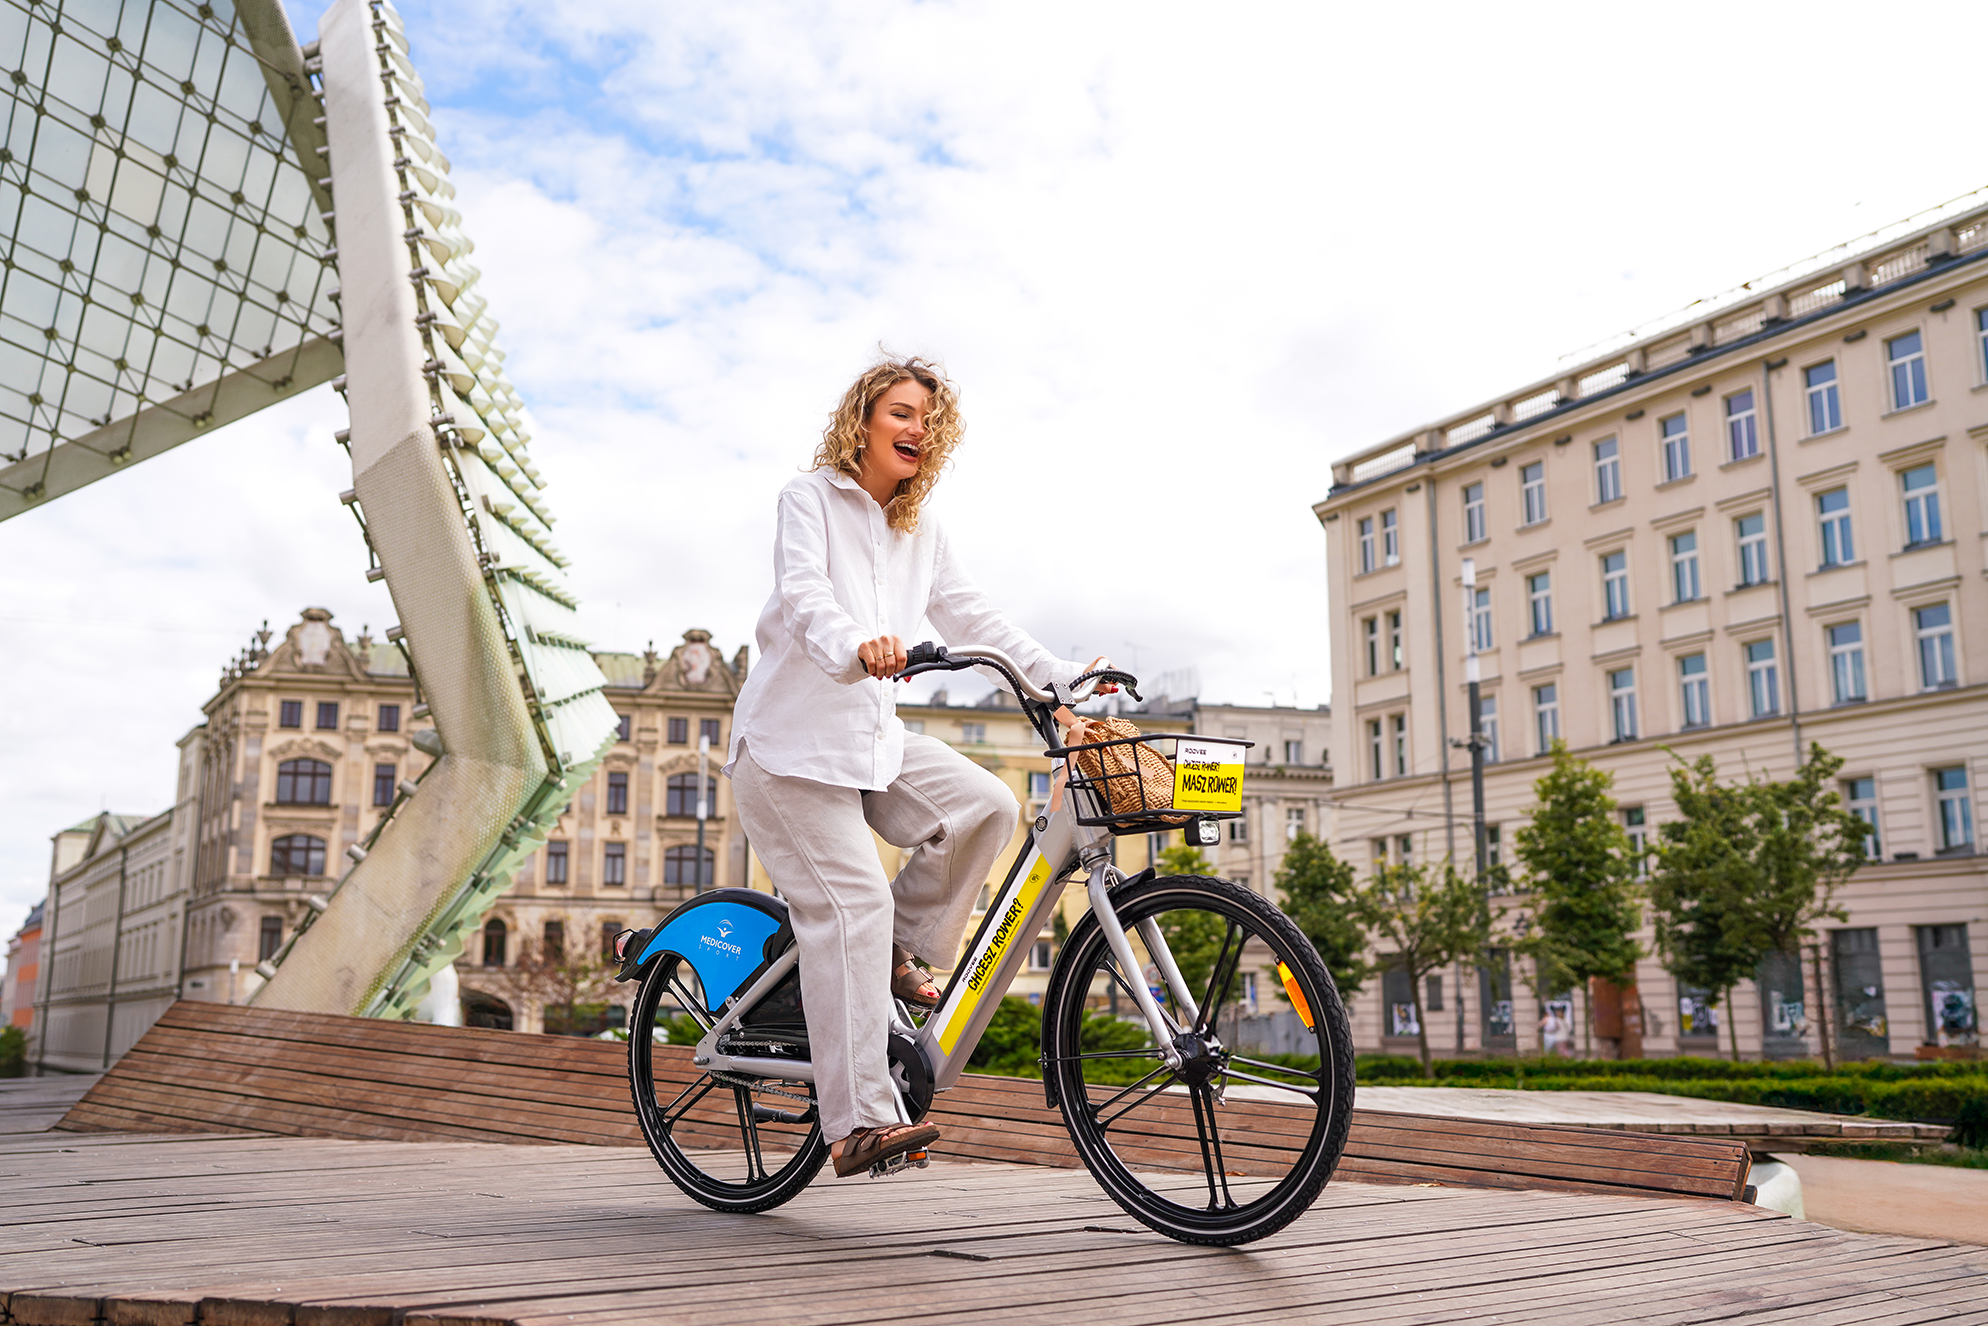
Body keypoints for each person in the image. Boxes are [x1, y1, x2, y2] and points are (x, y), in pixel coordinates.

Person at [720, 356, 1108, 1179]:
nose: (916, 431)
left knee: (985, 805)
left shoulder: (919, 530)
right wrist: (855, 645)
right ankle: (857, 1123)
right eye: (900, 413)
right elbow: (802, 594)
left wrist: (1066, 683)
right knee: (853, 900)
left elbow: (975, 616)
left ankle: (891, 951)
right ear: (863, 420)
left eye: (928, 422)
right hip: (789, 751)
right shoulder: (809, 499)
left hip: (869, 740)